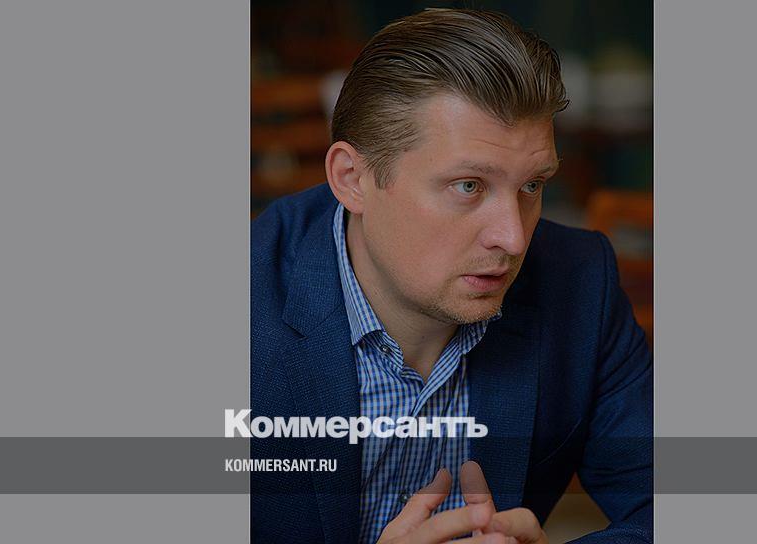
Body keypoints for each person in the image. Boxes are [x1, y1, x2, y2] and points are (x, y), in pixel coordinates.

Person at [250, 8, 652, 543]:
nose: (513, 238)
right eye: (468, 186)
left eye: (532, 186)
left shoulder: (578, 280)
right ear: (352, 179)